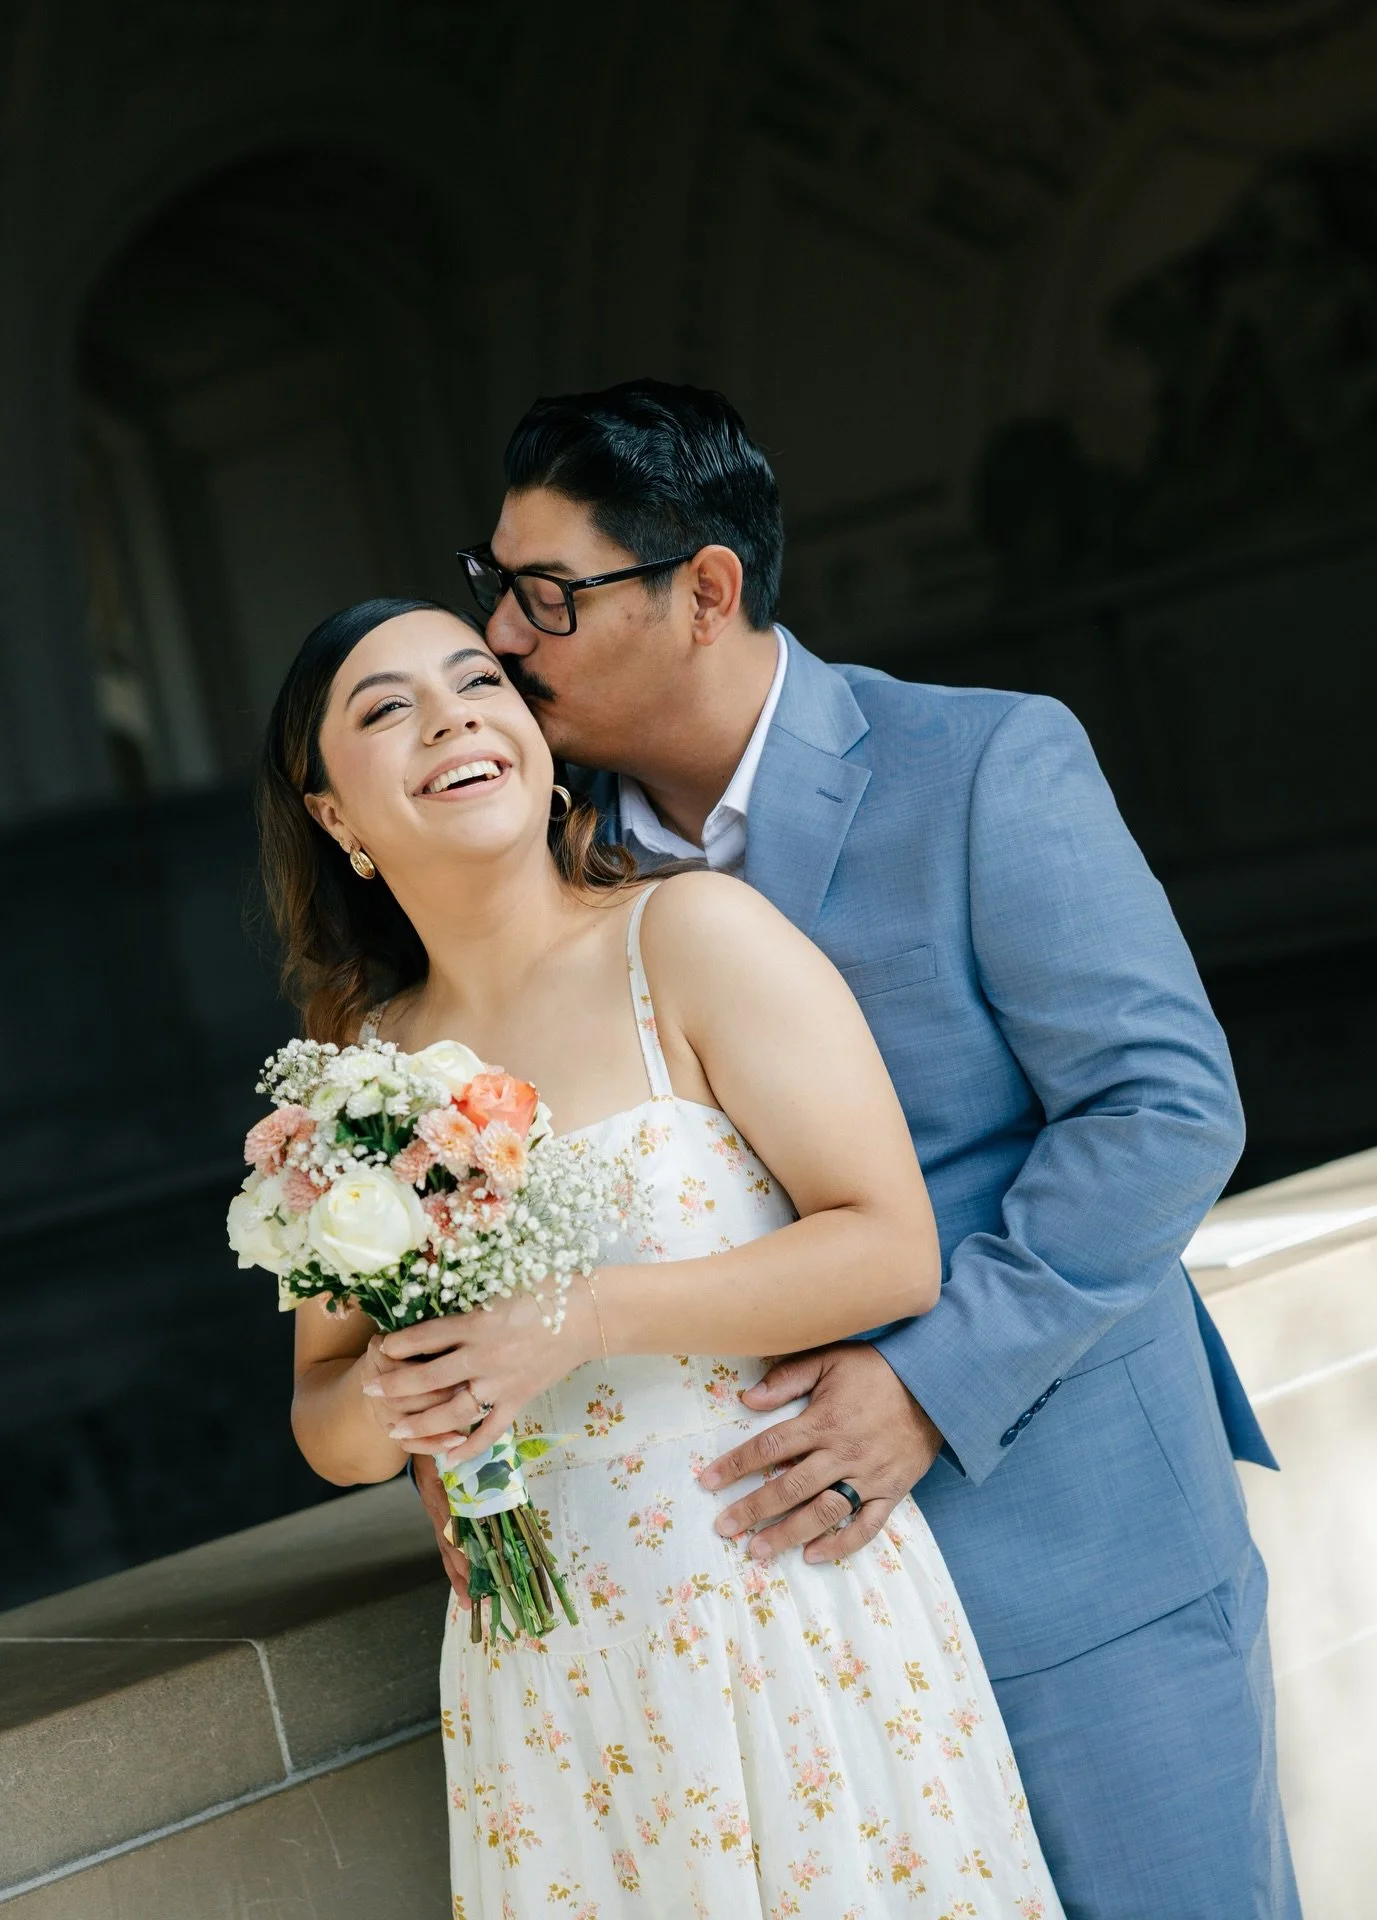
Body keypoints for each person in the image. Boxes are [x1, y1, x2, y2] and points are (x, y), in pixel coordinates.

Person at [402, 378, 1303, 1920]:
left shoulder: (985, 764)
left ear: (705, 590)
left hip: (1071, 1551)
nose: (503, 642)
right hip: (783, 1654)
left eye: (548, 595)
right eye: (497, 587)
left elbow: (1164, 1109)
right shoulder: (553, 867)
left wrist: (930, 1387)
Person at [262, 597, 1061, 1916]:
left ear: (532, 736)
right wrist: (410, 1400)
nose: (455, 712)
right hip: (550, 1674)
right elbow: (331, 1425)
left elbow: (891, 1248)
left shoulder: (687, 938)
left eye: (479, 681)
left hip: (781, 1612)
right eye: (388, 706)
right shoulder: (359, 1075)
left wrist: (571, 1320)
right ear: (336, 816)